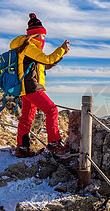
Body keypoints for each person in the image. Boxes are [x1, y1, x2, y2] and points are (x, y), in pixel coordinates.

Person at [10, 13, 70, 157]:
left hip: (26, 88)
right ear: (35, 35)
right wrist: (60, 49)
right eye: (42, 36)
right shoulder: (29, 48)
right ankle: (54, 143)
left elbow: (44, 66)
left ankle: (22, 148)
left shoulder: (28, 49)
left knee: (26, 118)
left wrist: (61, 55)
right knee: (52, 110)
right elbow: (48, 60)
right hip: (31, 87)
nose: (44, 39)